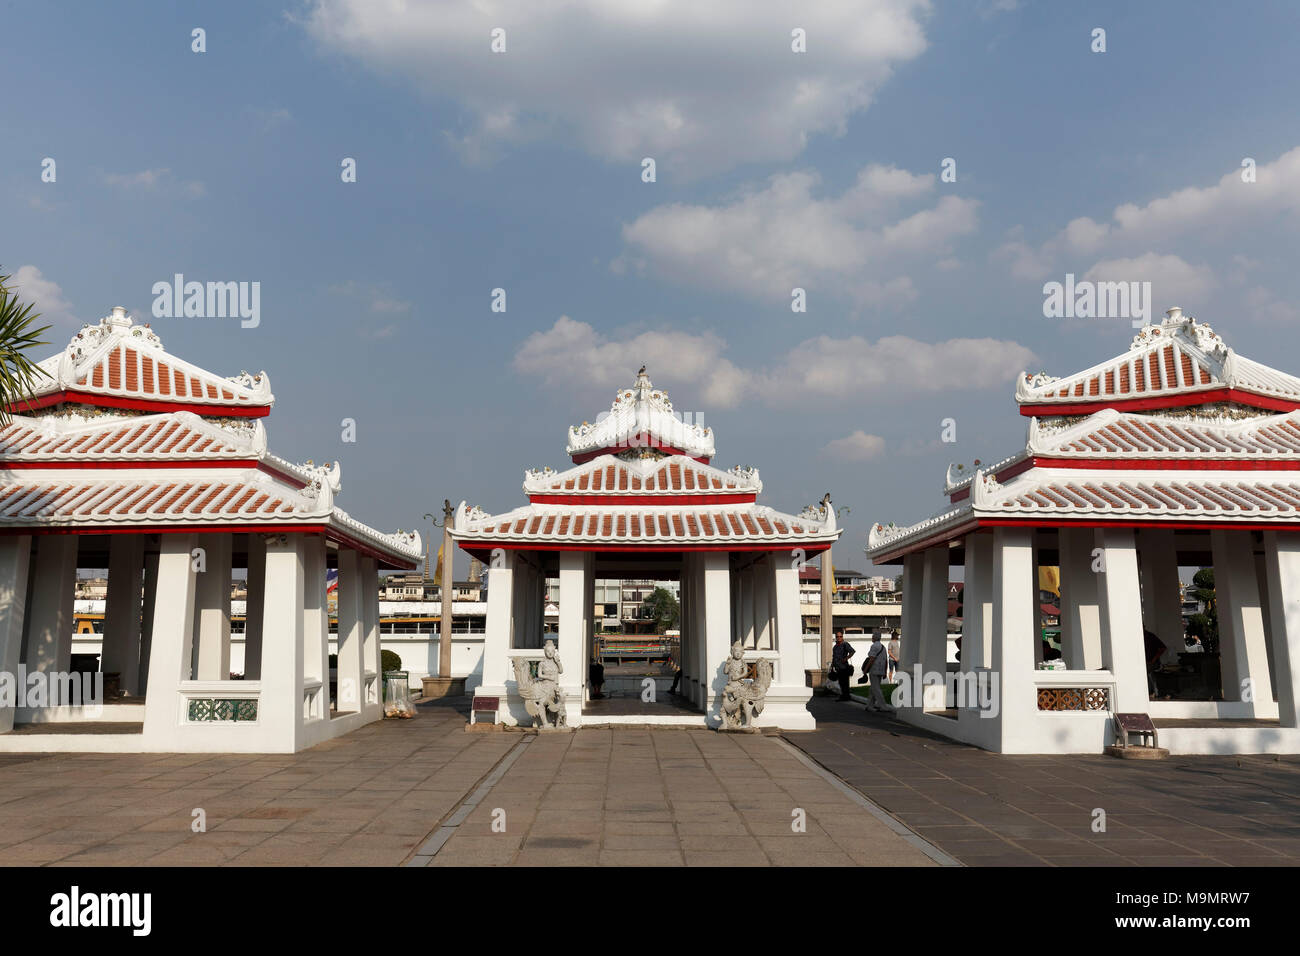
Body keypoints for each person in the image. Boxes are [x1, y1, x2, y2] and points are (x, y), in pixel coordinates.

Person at [862, 631, 893, 712]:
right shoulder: (883, 647)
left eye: (872, 636)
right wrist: (885, 671)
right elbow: (886, 660)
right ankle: (869, 706)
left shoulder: (874, 646)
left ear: (875, 638)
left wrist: (865, 669)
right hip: (881, 670)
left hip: (874, 670)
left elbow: (871, 659)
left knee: (876, 689)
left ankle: (883, 706)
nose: (872, 638)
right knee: (873, 688)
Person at [829, 630, 855, 701]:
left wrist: (846, 658)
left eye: (840, 636)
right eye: (837, 636)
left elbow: (852, 651)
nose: (839, 638)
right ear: (835, 637)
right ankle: (844, 696)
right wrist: (832, 666)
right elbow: (833, 657)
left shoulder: (845, 644)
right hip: (837, 668)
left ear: (842, 637)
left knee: (845, 683)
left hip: (844, 667)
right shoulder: (835, 647)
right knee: (841, 683)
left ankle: (846, 696)